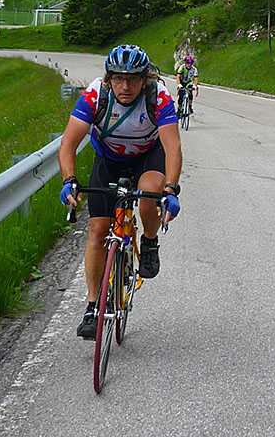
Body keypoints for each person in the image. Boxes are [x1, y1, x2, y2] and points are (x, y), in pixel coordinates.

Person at [58, 44, 182, 340]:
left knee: (149, 194)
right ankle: (92, 307)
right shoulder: (95, 95)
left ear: (145, 79)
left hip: (147, 158)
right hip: (108, 160)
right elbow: (68, 143)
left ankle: (149, 243)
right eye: (117, 78)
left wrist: (171, 190)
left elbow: (173, 147)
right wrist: (69, 180)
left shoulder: (158, 97)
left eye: (133, 79)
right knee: (98, 231)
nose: (125, 86)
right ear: (108, 78)